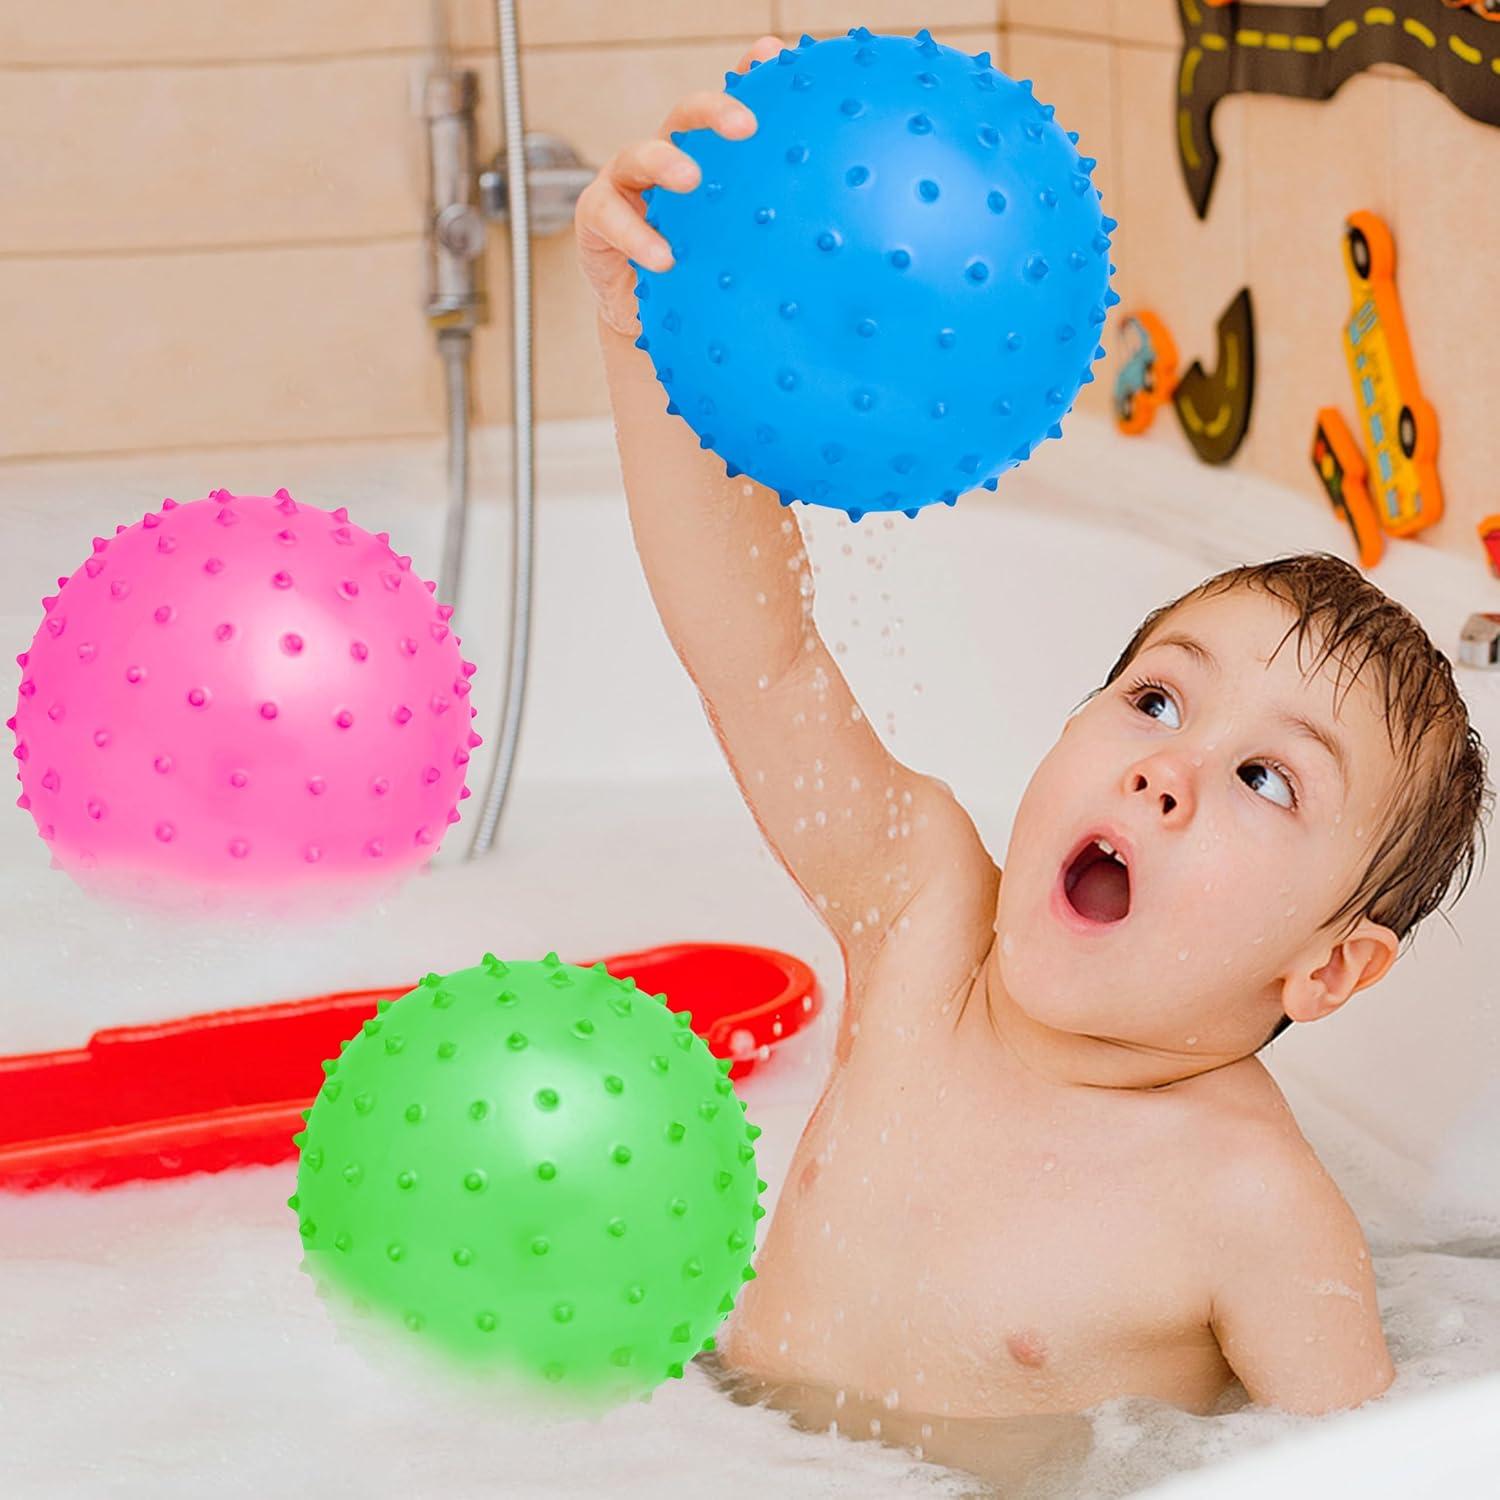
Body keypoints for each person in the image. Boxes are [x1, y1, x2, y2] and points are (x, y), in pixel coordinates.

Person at [574, 32, 1491, 1489]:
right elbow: (760, 657)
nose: (1167, 773)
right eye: (1155, 701)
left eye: (1268, 781)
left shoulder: (1256, 1207)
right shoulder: (922, 926)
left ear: (1329, 970)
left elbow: (1362, 1469)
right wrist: (645, 339)